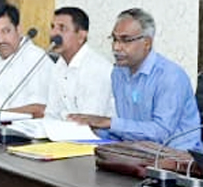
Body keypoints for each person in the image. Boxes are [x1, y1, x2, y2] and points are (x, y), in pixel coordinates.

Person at [69, 9, 202, 150]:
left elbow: (161, 133)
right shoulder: (118, 73)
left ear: (147, 43)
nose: (116, 47)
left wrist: (109, 123)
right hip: (138, 153)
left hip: (178, 157)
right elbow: (127, 132)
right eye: (114, 39)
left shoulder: (170, 76)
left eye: (125, 40)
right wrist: (91, 129)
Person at [0, 4, 52, 117]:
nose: (0, 40)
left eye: (6, 31)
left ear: (18, 29)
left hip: (27, 125)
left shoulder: (36, 59)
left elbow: (40, 109)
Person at [44, 7, 114, 120]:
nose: (53, 33)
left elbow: (90, 120)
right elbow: (51, 113)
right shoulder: (59, 66)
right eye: (52, 27)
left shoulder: (97, 69)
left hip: (94, 130)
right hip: (65, 129)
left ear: (81, 36)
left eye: (62, 28)